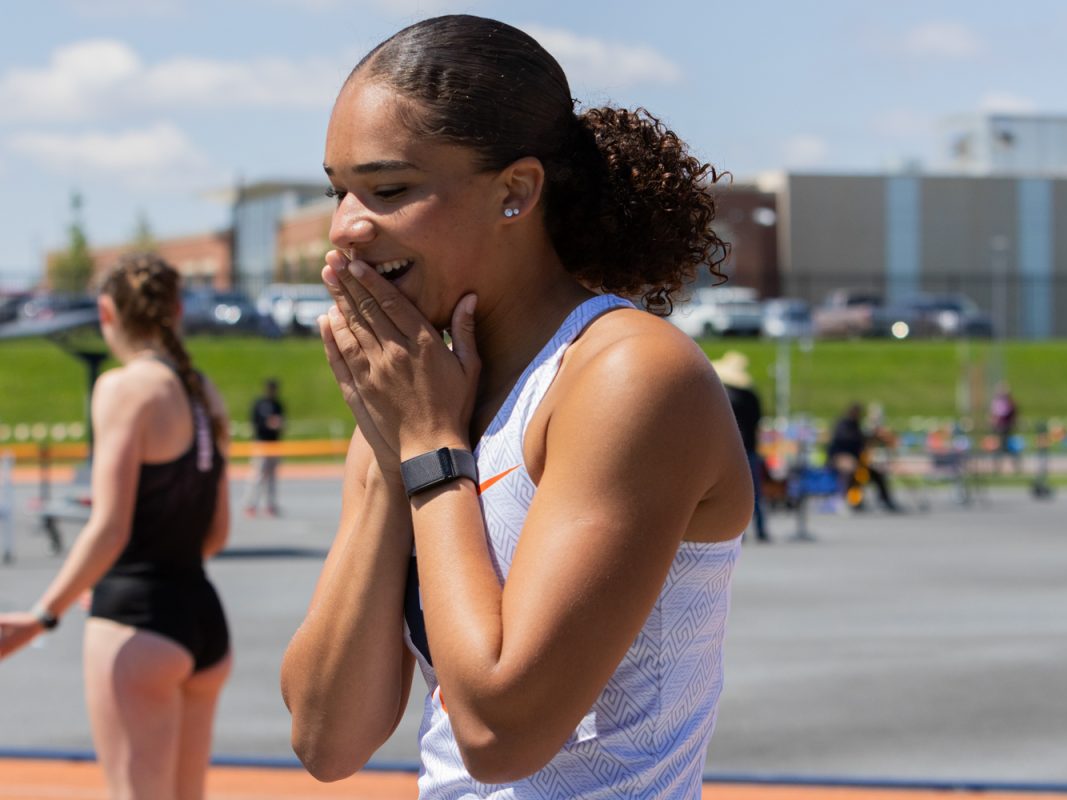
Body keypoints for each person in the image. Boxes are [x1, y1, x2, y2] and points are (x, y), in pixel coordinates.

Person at [280, 15, 752, 798]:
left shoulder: (628, 375)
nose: (345, 230)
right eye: (338, 192)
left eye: (388, 189)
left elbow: (503, 733)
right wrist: (387, 459)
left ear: (516, 191)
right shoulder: (424, 387)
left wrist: (431, 454)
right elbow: (329, 739)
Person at [0, 253, 232, 799]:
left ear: (106, 311)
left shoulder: (124, 388)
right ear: (176, 311)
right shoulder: (204, 393)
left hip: (137, 623)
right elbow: (215, 536)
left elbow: (111, 526)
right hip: (202, 618)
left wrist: (41, 616)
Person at [712, 350, 768, 542]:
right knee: (755, 493)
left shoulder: (723, 395)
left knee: (732, 494)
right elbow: (758, 420)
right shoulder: (751, 396)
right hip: (751, 447)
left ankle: (737, 533)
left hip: (731, 449)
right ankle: (761, 529)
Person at [826, 401, 901, 512]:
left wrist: (875, 437)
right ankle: (845, 499)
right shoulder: (843, 424)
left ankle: (885, 500)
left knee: (877, 475)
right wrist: (865, 438)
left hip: (856, 461)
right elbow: (848, 440)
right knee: (851, 470)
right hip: (840, 457)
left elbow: (862, 440)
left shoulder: (855, 425)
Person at [243, 377, 285, 516]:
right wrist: (268, 424)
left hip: (274, 444)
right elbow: (255, 423)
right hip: (261, 443)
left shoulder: (278, 404)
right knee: (257, 475)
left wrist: (279, 425)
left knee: (272, 476)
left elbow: (282, 423)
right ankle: (251, 504)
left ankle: (270, 504)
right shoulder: (260, 404)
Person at [989, 381, 1021, 475]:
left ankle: (1013, 466)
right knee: (1001, 447)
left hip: (1006, 428)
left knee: (1006, 447)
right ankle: (998, 467)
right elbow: (994, 415)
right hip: (1000, 428)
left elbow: (1009, 414)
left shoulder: (1009, 402)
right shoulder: (998, 402)